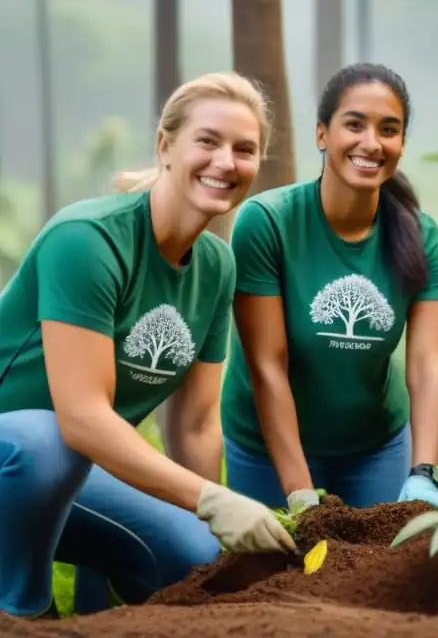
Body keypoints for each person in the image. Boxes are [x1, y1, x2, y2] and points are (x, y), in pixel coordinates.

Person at [0, 72, 297, 620]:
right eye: (207, 141)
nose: (225, 162)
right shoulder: (88, 240)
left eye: (244, 149)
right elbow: (84, 417)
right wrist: (213, 499)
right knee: (50, 440)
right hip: (22, 453)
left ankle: (100, 615)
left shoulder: (216, 264)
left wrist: (210, 518)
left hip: (68, 468)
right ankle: (22, 612)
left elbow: (195, 425)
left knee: (192, 556)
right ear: (165, 145)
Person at [220, 63, 438, 516]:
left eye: (389, 129)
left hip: (376, 445)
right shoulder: (268, 222)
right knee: (277, 578)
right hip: (266, 446)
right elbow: (268, 366)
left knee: (377, 575)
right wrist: (301, 496)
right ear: (322, 134)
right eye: (355, 125)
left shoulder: (422, 237)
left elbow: (428, 368)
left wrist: (425, 472)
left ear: (401, 145)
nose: (371, 143)